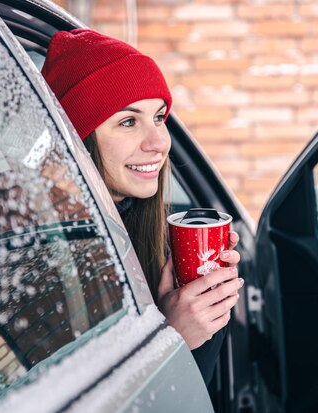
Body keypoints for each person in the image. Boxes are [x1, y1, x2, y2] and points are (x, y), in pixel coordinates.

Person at [41, 28, 243, 385]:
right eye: (128, 121)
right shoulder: (45, 251)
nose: (159, 142)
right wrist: (170, 340)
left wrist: (202, 304)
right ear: (76, 137)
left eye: (159, 117)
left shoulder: (137, 224)